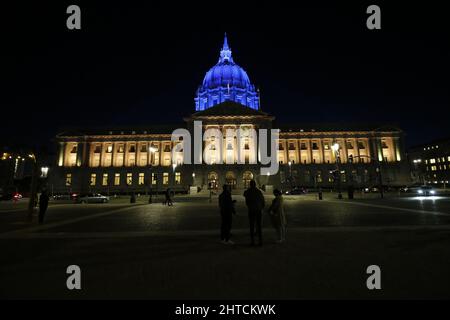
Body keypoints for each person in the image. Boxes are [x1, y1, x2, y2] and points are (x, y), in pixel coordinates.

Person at [243, 180, 265, 246]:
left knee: (252, 226)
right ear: (255, 184)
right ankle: (260, 241)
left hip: (252, 210)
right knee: (259, 226)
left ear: (250, 184)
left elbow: (245, 196)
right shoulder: (259, 192)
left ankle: (252, 241)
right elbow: (263, 201)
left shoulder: (248, 192)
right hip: (258, 210)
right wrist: (261, 207)